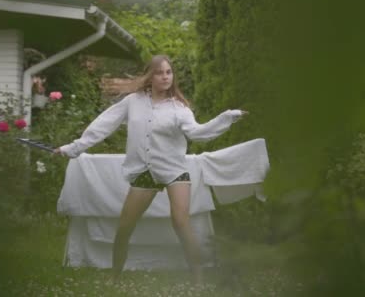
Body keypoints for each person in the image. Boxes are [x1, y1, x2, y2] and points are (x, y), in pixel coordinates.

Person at [54, 55, 247, 284]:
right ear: (150, 76)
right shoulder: (132, 101)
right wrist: (73, 148)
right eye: (160, 72)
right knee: (125, 226)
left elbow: (198, 133)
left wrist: (227, 117)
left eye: (169, 72)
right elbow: (103, 125)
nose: (165, 77)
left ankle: (199, 279)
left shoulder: (179, 108)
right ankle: (114, 277)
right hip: (145, 172)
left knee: (180, 221)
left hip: (174, 170)